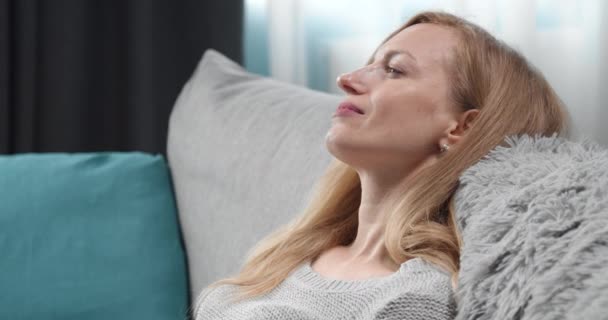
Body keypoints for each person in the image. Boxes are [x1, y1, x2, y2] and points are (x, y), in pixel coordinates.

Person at [191, 10, 571, 320]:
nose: (346, 80)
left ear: (462, 127)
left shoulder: (413, 299)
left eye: (394, 70)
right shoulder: (290, 252)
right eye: (369, 64)